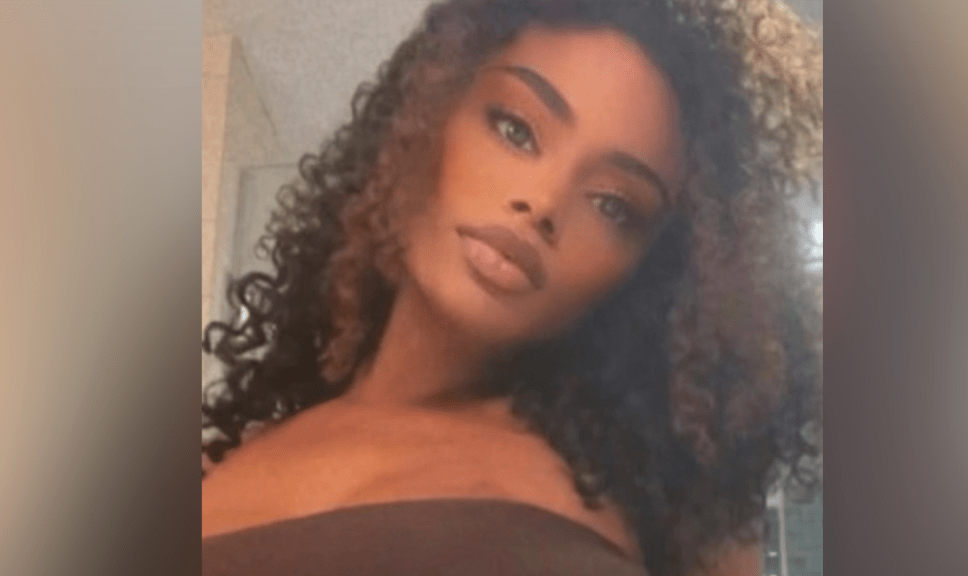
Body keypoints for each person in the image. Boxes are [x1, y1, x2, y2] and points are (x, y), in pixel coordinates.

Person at [200, 0, 823, 574]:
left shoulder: (650, 510)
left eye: (613, 205)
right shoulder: (224, 464)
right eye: (516, 129)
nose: (544, 202)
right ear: (423, 114)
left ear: (643, 281)